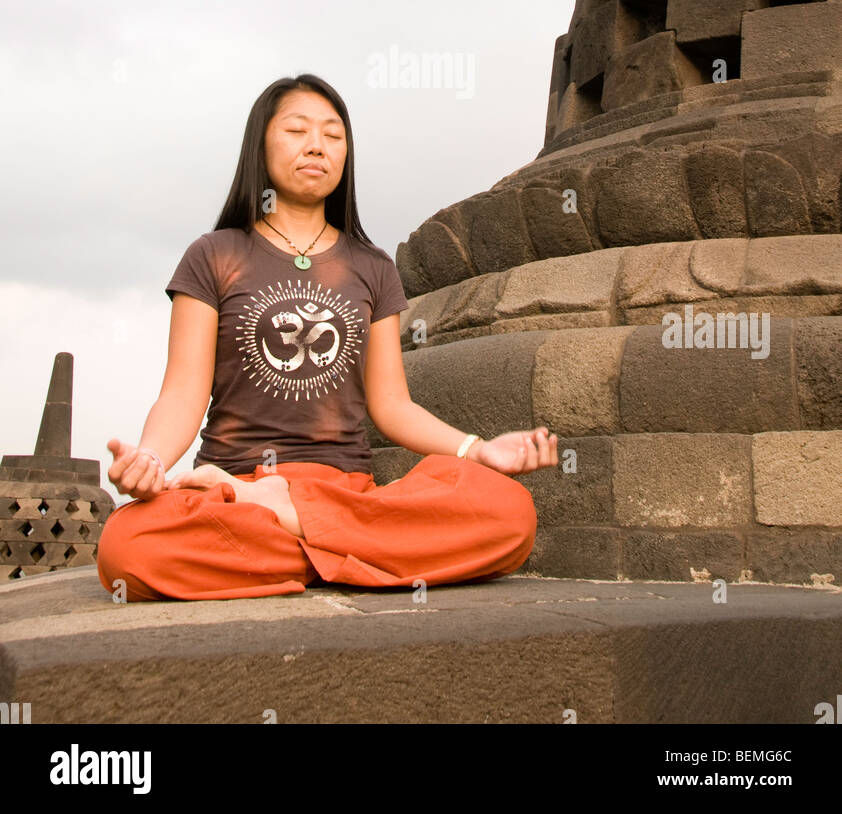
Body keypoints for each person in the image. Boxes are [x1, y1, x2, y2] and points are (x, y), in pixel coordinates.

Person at [97, 73, 558, 602]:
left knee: (509, 512)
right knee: (127, 549)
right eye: (297, 130)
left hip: (345, 491)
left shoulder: (372, 266)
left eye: (333, 135)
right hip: (234, 489)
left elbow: (391, 405)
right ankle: (341, 548)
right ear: (261, 145)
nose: (317, 145)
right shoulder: (214, 255)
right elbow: (182, 392)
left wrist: (478, 451)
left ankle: (293, 527)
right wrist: (151, 459)